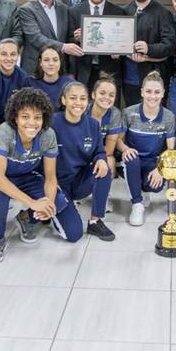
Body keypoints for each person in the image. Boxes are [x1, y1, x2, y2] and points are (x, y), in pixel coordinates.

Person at [0, 87, 84, 262]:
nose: (32, 122)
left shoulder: (48, 135)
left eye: (37, 117)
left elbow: (51, 177)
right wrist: (32, 203)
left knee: (74, 233)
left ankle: (25, 218)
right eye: (25, 116)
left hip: (28, 177)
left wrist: (48, 204)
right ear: (15, 117)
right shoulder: (4, 131)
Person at [52, 81, 115, 240]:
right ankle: (31, 215)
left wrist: (101, 159)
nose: (78, 103)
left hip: (78, 181)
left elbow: (99, 151)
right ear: (64, 100)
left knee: (104, 169)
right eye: (73, 98)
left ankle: (95, 221)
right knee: (74, 235)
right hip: (55, 184)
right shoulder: (52, 123)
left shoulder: (93, 125)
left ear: (88, 101)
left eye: (82, 98)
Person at [121, 71, 176, 227]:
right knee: (132, 158)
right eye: (149, 91)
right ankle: (136, 205)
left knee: (155, 185)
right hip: (133, 159)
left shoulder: (169, 116)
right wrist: (125, 148)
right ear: (142, 92)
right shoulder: (129, 113)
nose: (153, 96)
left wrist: (160, 168)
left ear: (163, 93)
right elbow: (118, 140)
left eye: (157, 92)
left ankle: (143, 191)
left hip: (153, 161)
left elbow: (171, 150)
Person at [121, 0, 176, 106]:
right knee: (132, 116)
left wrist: (149, 48)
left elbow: (169, 46)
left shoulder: (163, 13)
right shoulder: (124, 11)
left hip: (154, 78)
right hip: (129, 78)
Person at [69, 0, 126, 86]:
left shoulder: (118, 12)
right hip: (83, 70)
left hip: (110, 71)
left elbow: (123, 41)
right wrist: (76, 39)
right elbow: (68, 41)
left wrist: (119, 50)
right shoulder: (74, 12)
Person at [17, 0, 81, 75]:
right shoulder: (26, 10)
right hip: (35, 70)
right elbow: (36, 38)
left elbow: (70, 39)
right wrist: (63, 47)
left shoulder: (64, 10)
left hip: (60, 71)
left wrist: (77, 38)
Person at [28, 45, 74, 110]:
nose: (51, 63)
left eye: (55, 60)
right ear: (40, 62)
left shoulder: (70, 84)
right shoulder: (30, 82)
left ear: (60, 62)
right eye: (46, 60)